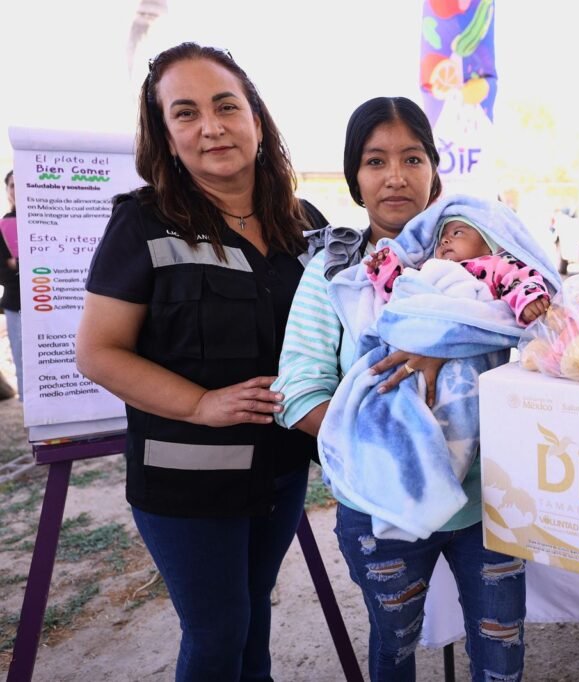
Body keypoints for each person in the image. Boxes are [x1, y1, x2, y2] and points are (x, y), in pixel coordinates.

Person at [75, 43, 327, 681]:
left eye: (226, 106)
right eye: (185, 113)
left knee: (254, 619)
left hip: (280, 468)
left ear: (256, 119)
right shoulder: (143, 223)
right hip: (186, 480)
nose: (211, 126)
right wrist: (199, 404)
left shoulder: (305, 225)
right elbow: (98, 352)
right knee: (217, 634)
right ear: (166, 136)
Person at [274, 97, 540, 681]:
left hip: (490, 504)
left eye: (412, 158)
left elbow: (543, 339)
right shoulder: (334, 274)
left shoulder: (483, 254)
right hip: (379, 508)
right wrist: (392, 445)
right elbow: (299, 389)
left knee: (502, 652)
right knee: (394, 648)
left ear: (433, 170)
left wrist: (445, 344)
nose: (395, 176)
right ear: (355, 178)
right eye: (376, 161)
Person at [367, 213, 552, 325]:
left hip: (469, 330)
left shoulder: (497, 264)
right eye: (441, 239)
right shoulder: (431, 268)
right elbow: (404, 288)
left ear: (489, 245)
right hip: (428, 324)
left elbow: (520, 280)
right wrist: (384, 267)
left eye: (457, 233)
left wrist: (529, 301)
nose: (445, 240)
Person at [0, 170, 20, 401]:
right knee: (23, 364)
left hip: (50, 304)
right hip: (16, 306)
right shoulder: (3, 225)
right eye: (12, 185)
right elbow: (2, 271)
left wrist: (16, 262)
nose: (17, 189)